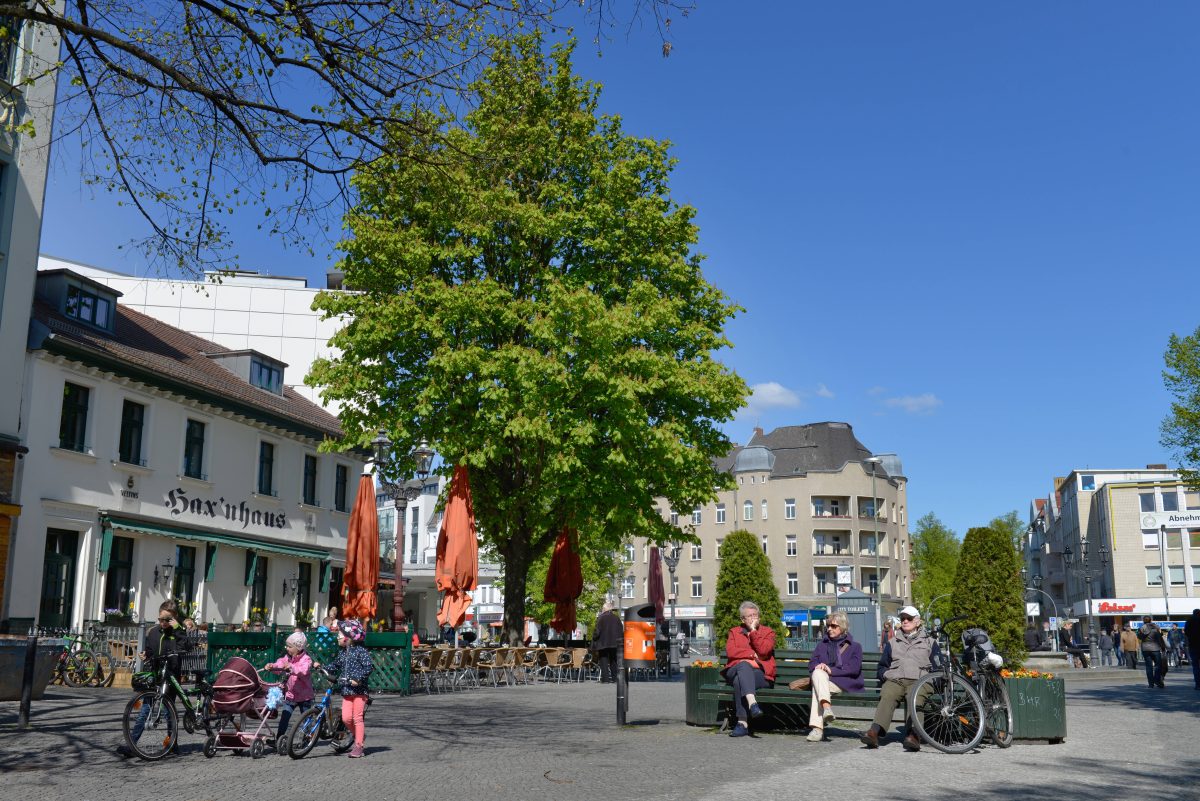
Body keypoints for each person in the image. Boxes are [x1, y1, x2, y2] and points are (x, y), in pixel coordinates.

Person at [116, 601, 191, 758]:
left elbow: (186, 645)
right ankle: (132, 745)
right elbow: (151, 649)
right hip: (155, 676)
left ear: (174, 618)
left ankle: (172, 743)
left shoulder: (178, 632)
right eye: (160, 619)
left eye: (167, 620)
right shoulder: (154, 632)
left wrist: (178, 629)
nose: (163, 623)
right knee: (145, 710)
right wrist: (146, 654)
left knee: (167, 711)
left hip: (170, 677)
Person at [861, 605, 938, 752]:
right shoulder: (892, 642)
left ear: (918, 621)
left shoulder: (929, 642)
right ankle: (874, 732)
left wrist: (933, 680)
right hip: (896, 679)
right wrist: (887, 675)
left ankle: (914, 735)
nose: (905, 621)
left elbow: (938, 666)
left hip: (920, 679)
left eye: (909, 618)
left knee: (915, 697)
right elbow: (882, 667)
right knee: (888, 693)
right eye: (903, 618)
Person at [792, 610, 861, 742]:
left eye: (833, 626)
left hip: (843, 682)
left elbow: (854, 669)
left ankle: (817, 729)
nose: (829, 629)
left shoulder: (855, 647)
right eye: (828, 626)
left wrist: (830, 670)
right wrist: (820, 666)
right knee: (818, 673)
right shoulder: (822, 645)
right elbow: (812, 664)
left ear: (842, 627)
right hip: (823, 682)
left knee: (817, 687)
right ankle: (826, 708)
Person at [317, 620, 373, 758]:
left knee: (357, 718)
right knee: (346, 718)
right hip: (347, 690)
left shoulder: (361, 651)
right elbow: (335, 665)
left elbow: (368, 667)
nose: (337, 637)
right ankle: (358, 735)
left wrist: (358, 679)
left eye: (340, 634)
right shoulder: (343, 653)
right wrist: (322, 667)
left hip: (359, 691)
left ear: (349, 637)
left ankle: (359, 746)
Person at [722, 600, 776, 738]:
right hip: (735, 668)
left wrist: (753, 632)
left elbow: (764, 651)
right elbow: (731, 652)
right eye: (750, 616)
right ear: (742, 619)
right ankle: (752, 703)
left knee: (739, 681)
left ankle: (742, 723)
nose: (753, 618)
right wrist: (751, 656)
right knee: (743, 666)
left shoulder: (767, 632)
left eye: (755, 615)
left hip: (761, 675)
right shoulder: (735, 632)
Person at [265, 631, 315, 753]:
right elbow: (280, 664)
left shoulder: (306, 659)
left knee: (306, 719)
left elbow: (303, 670)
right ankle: (279, 739)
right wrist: (272, 666)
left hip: (305, 696)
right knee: (285, 718)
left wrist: (292, 668)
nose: (287, 648)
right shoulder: (287, 658)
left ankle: (306, 740)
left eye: (289, 646)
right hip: (291, 695)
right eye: (287, 646)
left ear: (298, 647)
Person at [593, 601, 622, 683]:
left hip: (603, 643)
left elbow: (597, 631)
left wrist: (594, 638)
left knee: (603, 661)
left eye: (602, 608)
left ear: (605, 609)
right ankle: (615, 678)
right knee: (614, 661)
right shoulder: (617, 618)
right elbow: (621, 630)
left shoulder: (601, 618)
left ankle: (605, 679)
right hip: (614, 643)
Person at [1137, 616, 1167, 688]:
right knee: (1158, 665)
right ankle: (1157, 680)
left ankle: (1151, 684)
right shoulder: (1156, 627)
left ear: (1143, 621)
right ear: (1151, 620)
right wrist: (1163, 647)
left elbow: (1139, 637)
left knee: (1148, 666)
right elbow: (1159, 638)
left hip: (1145, 649)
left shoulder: (1142, 628)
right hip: (1155, 648)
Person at [1184, 608, 1200, 691]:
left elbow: (1186, 632)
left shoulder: (1189, 620)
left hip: (1193, 645)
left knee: (1196, 666)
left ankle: (1198, 684)